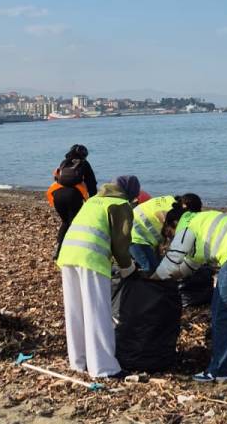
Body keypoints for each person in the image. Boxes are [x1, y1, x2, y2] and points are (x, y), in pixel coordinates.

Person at [152, 204, 227, 382]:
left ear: (175, 222)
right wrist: (172, 277)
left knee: (222, 310)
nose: (171, 239)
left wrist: (152, 278)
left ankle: (218, 371)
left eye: (170, 234)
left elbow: (172, 261)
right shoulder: (200, 224)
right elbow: (187, 266)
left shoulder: (186, 225)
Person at [55, 178, 138, 379]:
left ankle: (78, 362)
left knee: (75, 312)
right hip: (91, 258)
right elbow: (121, 244)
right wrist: (128, 269)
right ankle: (104, 368)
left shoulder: (93, 200)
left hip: (68, 254)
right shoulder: (120, 204)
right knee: (98, 313)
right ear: (130, 193)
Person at [45, 144, 98, 261]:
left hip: (57, 195)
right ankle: (74, 251)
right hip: (73, 195)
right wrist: (93, 201)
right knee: (75, 223)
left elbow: (56, 178)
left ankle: (58, 249)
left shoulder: (64, 163)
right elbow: (92, 184)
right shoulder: (84, 164)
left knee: (65, 222)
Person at [130, 192, 202, 273]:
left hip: (135, 229)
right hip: (134, 236)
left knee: (158, 266)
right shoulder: (172, 210)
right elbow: (160, 215)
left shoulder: (170, 199)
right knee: (151, 269)